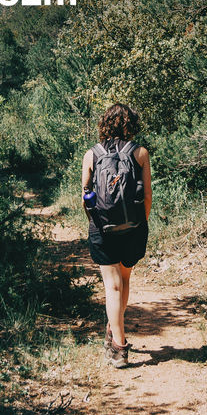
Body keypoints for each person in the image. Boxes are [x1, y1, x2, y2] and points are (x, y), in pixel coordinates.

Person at [81, 103, 152, 368]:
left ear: (105, 124)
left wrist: (96, 224)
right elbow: (147, 197)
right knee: (124, 279)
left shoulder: (92, 154)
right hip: (133, 227)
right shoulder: (140, 152)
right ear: (130, 123)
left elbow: (85, 196)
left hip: (103, 229)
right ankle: (115, 331)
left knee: (111, 286)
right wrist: (139, 224)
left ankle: (119, 346)